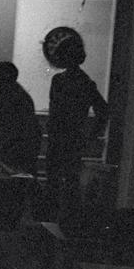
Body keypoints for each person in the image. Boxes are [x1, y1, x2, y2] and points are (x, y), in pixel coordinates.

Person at [44, 37, 108, 223]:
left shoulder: (59, 81)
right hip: (73, 138)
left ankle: (55, 222)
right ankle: (70, 223)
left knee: (55, 182)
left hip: (59, 138)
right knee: (70, 182)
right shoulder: (86, 83)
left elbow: (55, 111)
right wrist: (92, 136)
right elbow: (103, 111)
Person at [0, 61, 42, 175]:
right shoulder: (7, 94)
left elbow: (16, 130)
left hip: (16, 154)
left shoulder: (15, 98)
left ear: (4, 79)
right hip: (13, 152)